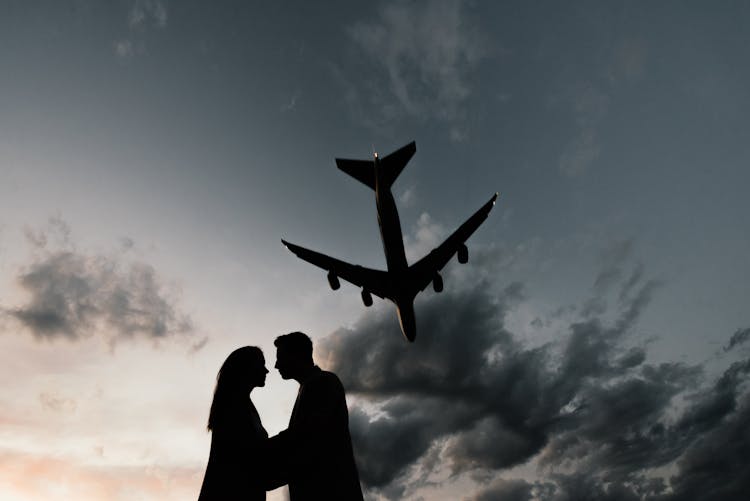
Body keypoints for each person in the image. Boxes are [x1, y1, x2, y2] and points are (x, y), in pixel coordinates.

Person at [270, 331, 364, 501]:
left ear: (296, 355)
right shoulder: (311, 386)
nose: (276, 365)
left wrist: (260, 451)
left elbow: (307, 437)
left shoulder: (323, 382)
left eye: (281, 357)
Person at [198, 346, 270, 501]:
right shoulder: (233, 408)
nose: (266, 371)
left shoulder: (243, 405)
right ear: (247, 368)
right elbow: (247, 458)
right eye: (261, 365)